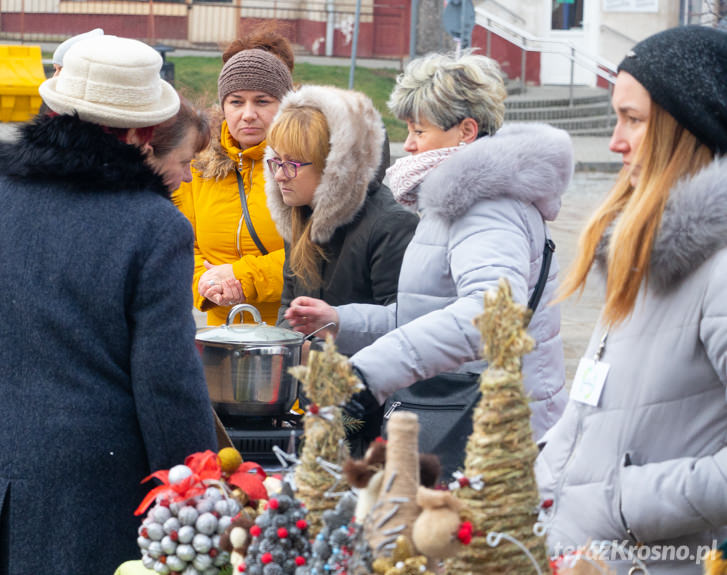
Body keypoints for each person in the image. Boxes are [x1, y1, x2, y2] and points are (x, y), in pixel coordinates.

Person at [0, 35, 217, 574]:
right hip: (93, 488)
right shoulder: (154, 226)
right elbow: (167, 385)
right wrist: (196, 494)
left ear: (52, 109)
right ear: (143, 132)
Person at [285, 52, 571, 445]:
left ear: (466, 131)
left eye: (419, 131)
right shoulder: (455, 199)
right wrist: (342, 321)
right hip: (466, 413)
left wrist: (368, 372)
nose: (410, 145)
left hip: (497, 430)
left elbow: (488, 314)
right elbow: (427, 313)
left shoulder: (487, 204)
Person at [535, 26, 727, 574]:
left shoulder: (718, 270)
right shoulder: (642, 253)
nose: (616, 141)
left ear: (688, 129)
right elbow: (595, 411)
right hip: (576, 553)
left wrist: (623, 499)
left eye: (634, 120)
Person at [265, 85, 418, 450]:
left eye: (292, 164)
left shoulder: (390, 225)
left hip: (375, 414)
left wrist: (323, 334)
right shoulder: (299, 216)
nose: (280, 175)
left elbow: (405, 330)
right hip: (321, 404)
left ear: (334, 168)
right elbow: (290, 309)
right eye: (275, 161)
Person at [173, 30, 294, 326]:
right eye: (236, 102)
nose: (248, 114)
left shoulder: (302, 165)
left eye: (262, 101)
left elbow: (317, 255)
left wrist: (241, 278)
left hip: (290, 333)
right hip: (221, 337)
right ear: (223, 106)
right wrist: (207, 286)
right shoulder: (199, 164)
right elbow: (182, 243)